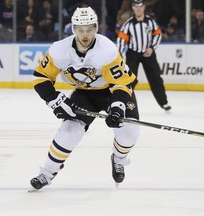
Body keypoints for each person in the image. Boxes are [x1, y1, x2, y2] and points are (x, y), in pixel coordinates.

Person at [29, 6, 140, 191]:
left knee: (130, 133)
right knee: (69, 130)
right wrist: (55, 100)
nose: (85, 35)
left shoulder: (107, 49)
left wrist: (118, 106)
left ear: (96, 28)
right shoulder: (59, 50)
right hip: (85, 94)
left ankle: (118, 158)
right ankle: (47, 172)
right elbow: (40, 78)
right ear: (73, 29)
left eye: (89, 29)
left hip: (113, 90)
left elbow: (122, 82)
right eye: (80, 30)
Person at [116, 0, 171, 111]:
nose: (138, 9)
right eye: (136, 6)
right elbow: (121, 40)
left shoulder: (150, 22)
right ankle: (124, 101)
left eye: (140, 6)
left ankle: (163, 102)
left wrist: (152, 48)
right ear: (133, 8)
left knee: (155, 78)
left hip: (148, 53)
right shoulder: (128, 24)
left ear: (144, 7)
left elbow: (158, 34)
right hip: (133, 54)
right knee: (130, 79)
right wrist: (120, 57)